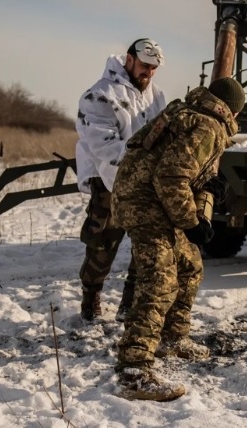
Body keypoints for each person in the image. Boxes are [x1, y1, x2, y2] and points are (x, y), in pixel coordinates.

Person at [110, 76, 246, 401]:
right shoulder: (208, 127)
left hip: (144, 196)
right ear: (233, 111)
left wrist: (207, 187)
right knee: (160, 280)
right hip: (144, 202)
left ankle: (173, 338)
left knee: (190, 264)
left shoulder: (189, 111)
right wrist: (191, 222)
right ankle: (134, 373)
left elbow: (177, 167)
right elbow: (169, 175)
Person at [74, 38, 167, 322]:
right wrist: (139, 166)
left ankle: (130, 303)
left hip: (145, 183)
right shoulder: (99, 95)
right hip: (108, 180)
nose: (148, 73)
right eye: (144, 66)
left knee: (146, 243)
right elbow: (104, 147)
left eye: (153, 68)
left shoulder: (156, 96)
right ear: (129, 60)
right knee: (103, 243)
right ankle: (91, 300)